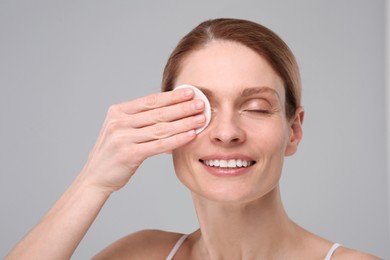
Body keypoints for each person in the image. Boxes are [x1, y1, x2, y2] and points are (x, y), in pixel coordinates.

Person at [6, 18, 379, 260]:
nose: (227, 132)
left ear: (293, 131)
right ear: (165, 125)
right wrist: (93, 181)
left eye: (256, 107)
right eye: (202, 107)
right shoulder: (139, 255)